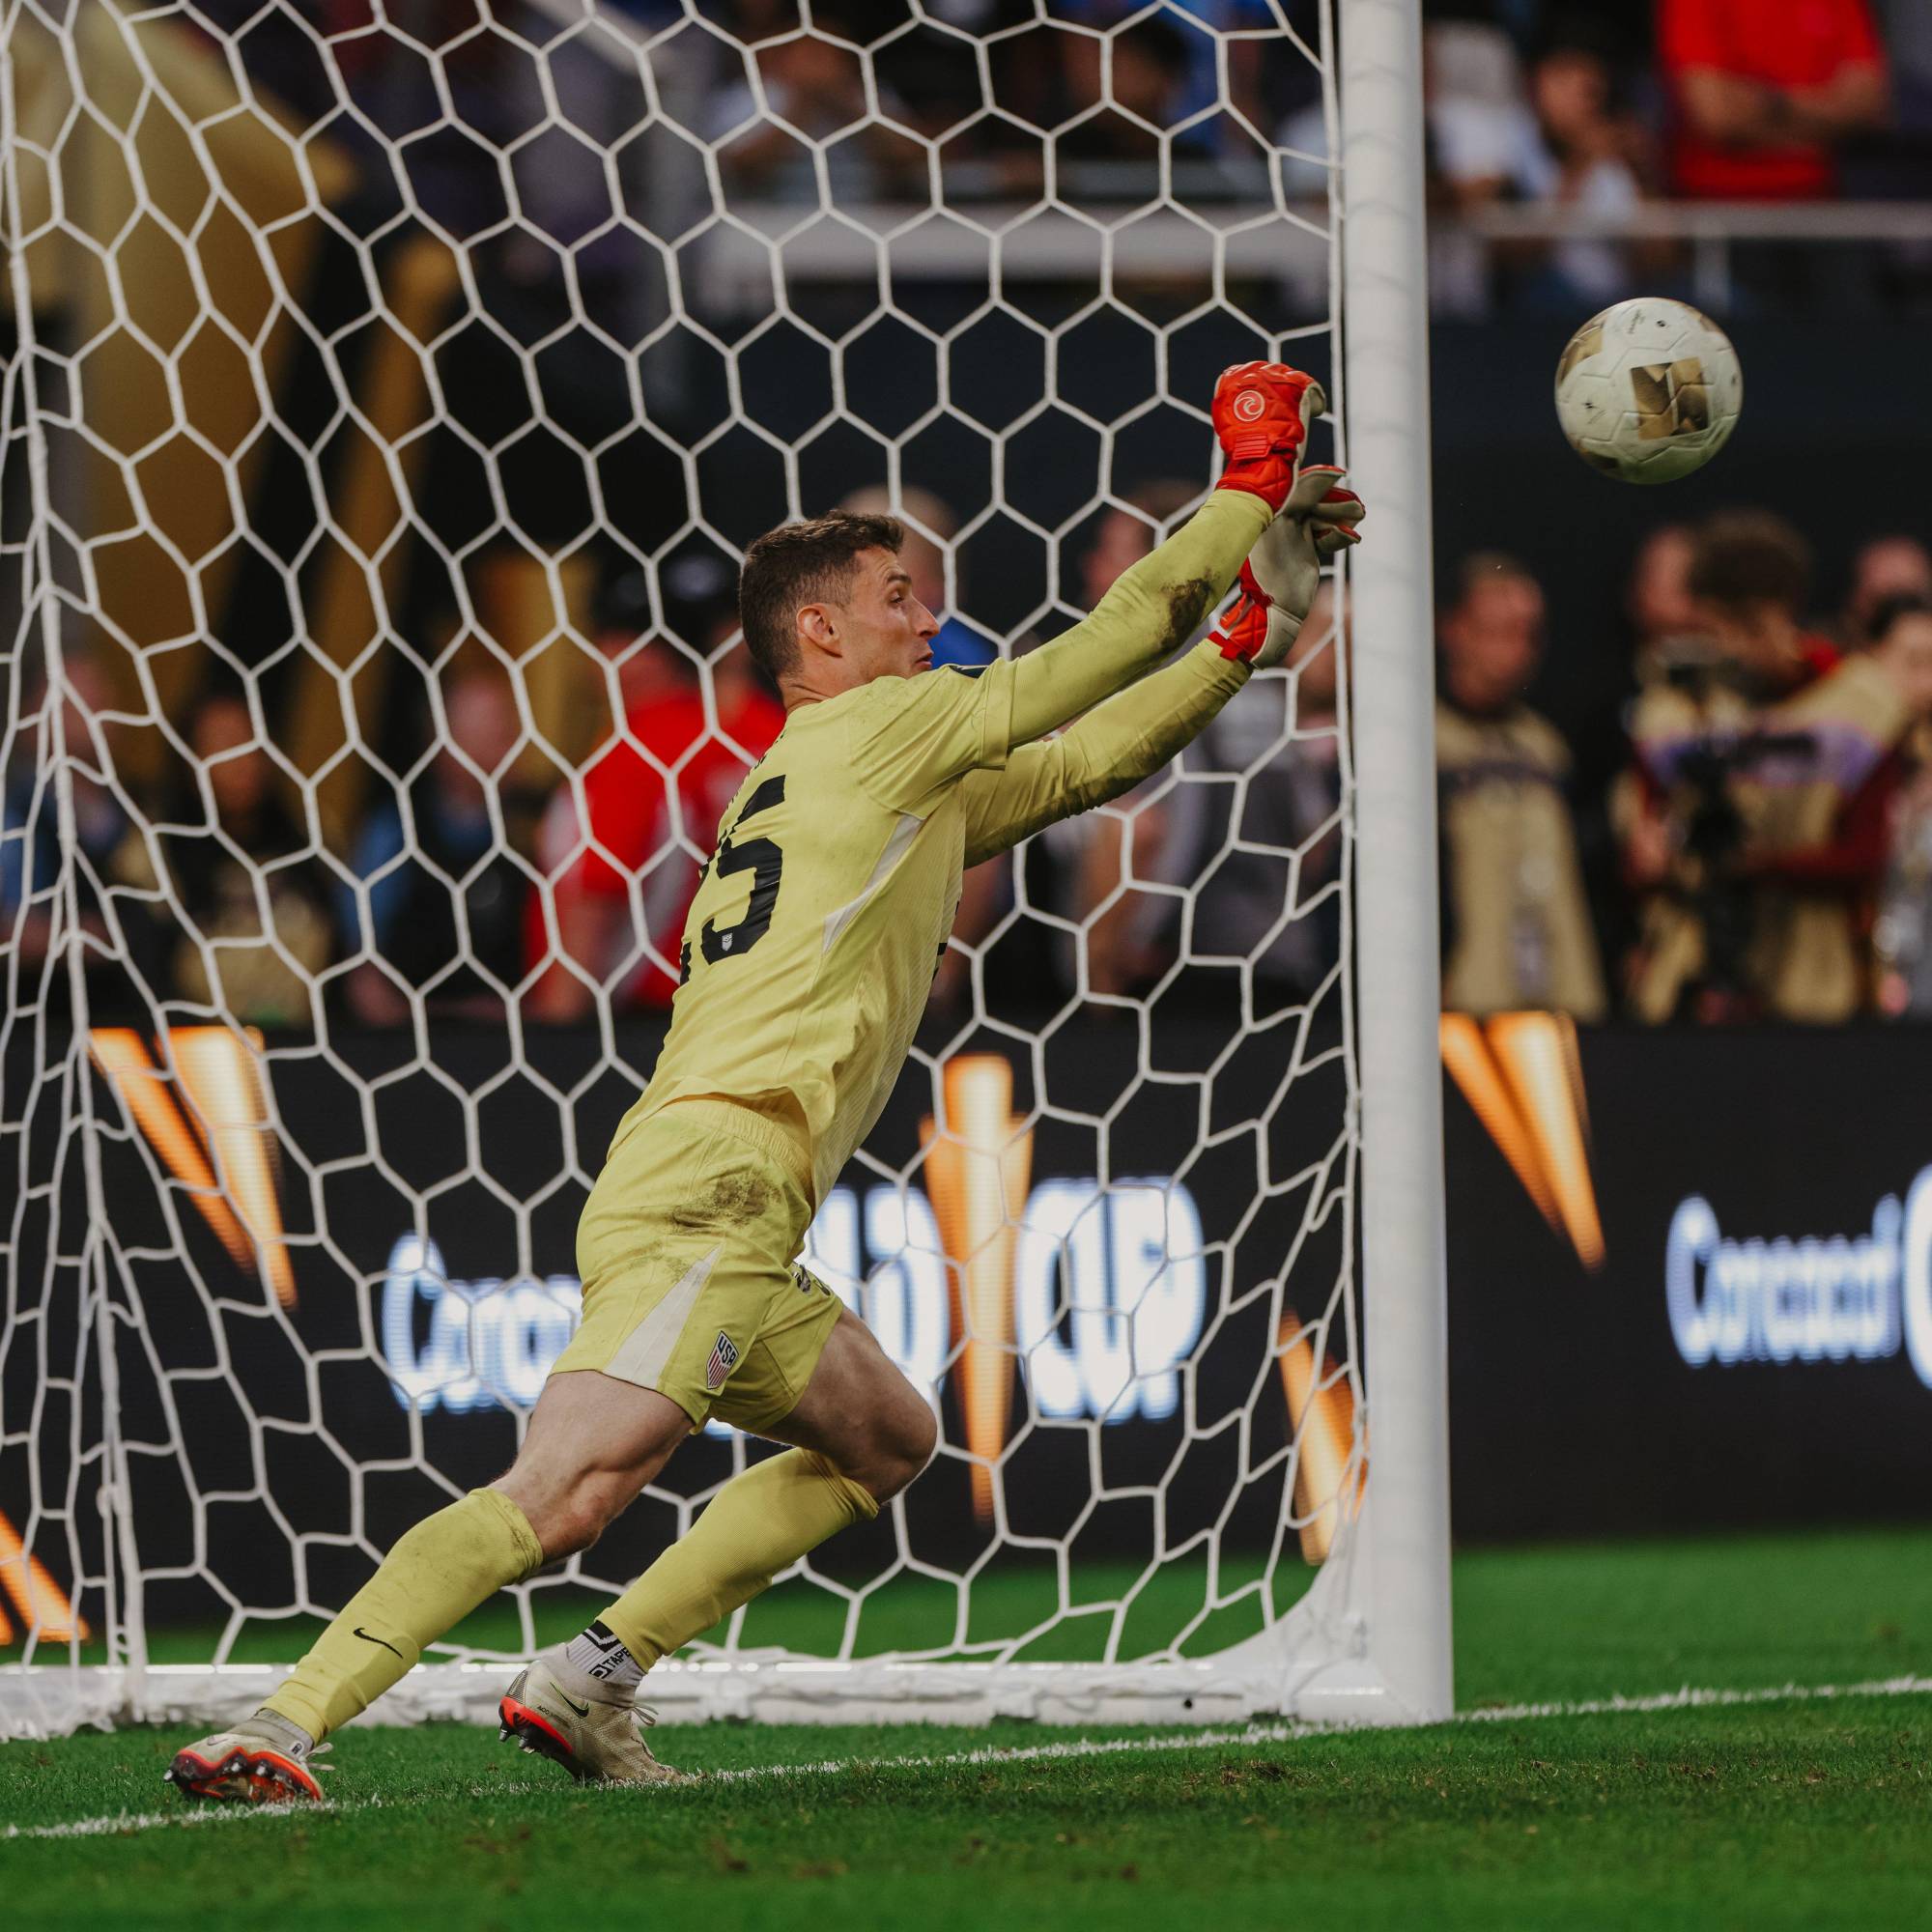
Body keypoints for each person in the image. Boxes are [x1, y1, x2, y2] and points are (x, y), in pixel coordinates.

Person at [163, 361, 1365, 1803]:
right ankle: (284, 1721)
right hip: (714, 1189)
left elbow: (1109, 751)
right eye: (899, 597)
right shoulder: (887, 727)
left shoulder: (854, 763)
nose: (929, 615)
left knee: (885, 1437)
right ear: (821, 630)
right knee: (566, 1495)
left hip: (735, 1191)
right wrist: (1246, 488)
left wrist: (1270, 610)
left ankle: (590, 1681)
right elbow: (1104, 649)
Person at [1435, 554, 1605, 1019]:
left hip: (1563, 997)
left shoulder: (1546, 745)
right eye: (1500, 631)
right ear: (1454, 629)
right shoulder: (1422, 743)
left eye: (1529, 633)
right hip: (1468, 997)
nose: (1519, 649)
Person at [341, 665, 544, 1024]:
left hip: (520, 1039)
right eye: (494, 733)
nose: (510, 745)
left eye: (508, 730)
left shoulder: (536, 828)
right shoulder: (394, 832)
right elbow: (363, 977)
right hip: (415, 1041)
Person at [1659, 0, 1889, 201]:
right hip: (1718, 205)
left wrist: (1774, 106)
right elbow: (1715, 115)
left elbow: (1869, 105)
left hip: (1822, 201)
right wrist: (1821, 123)